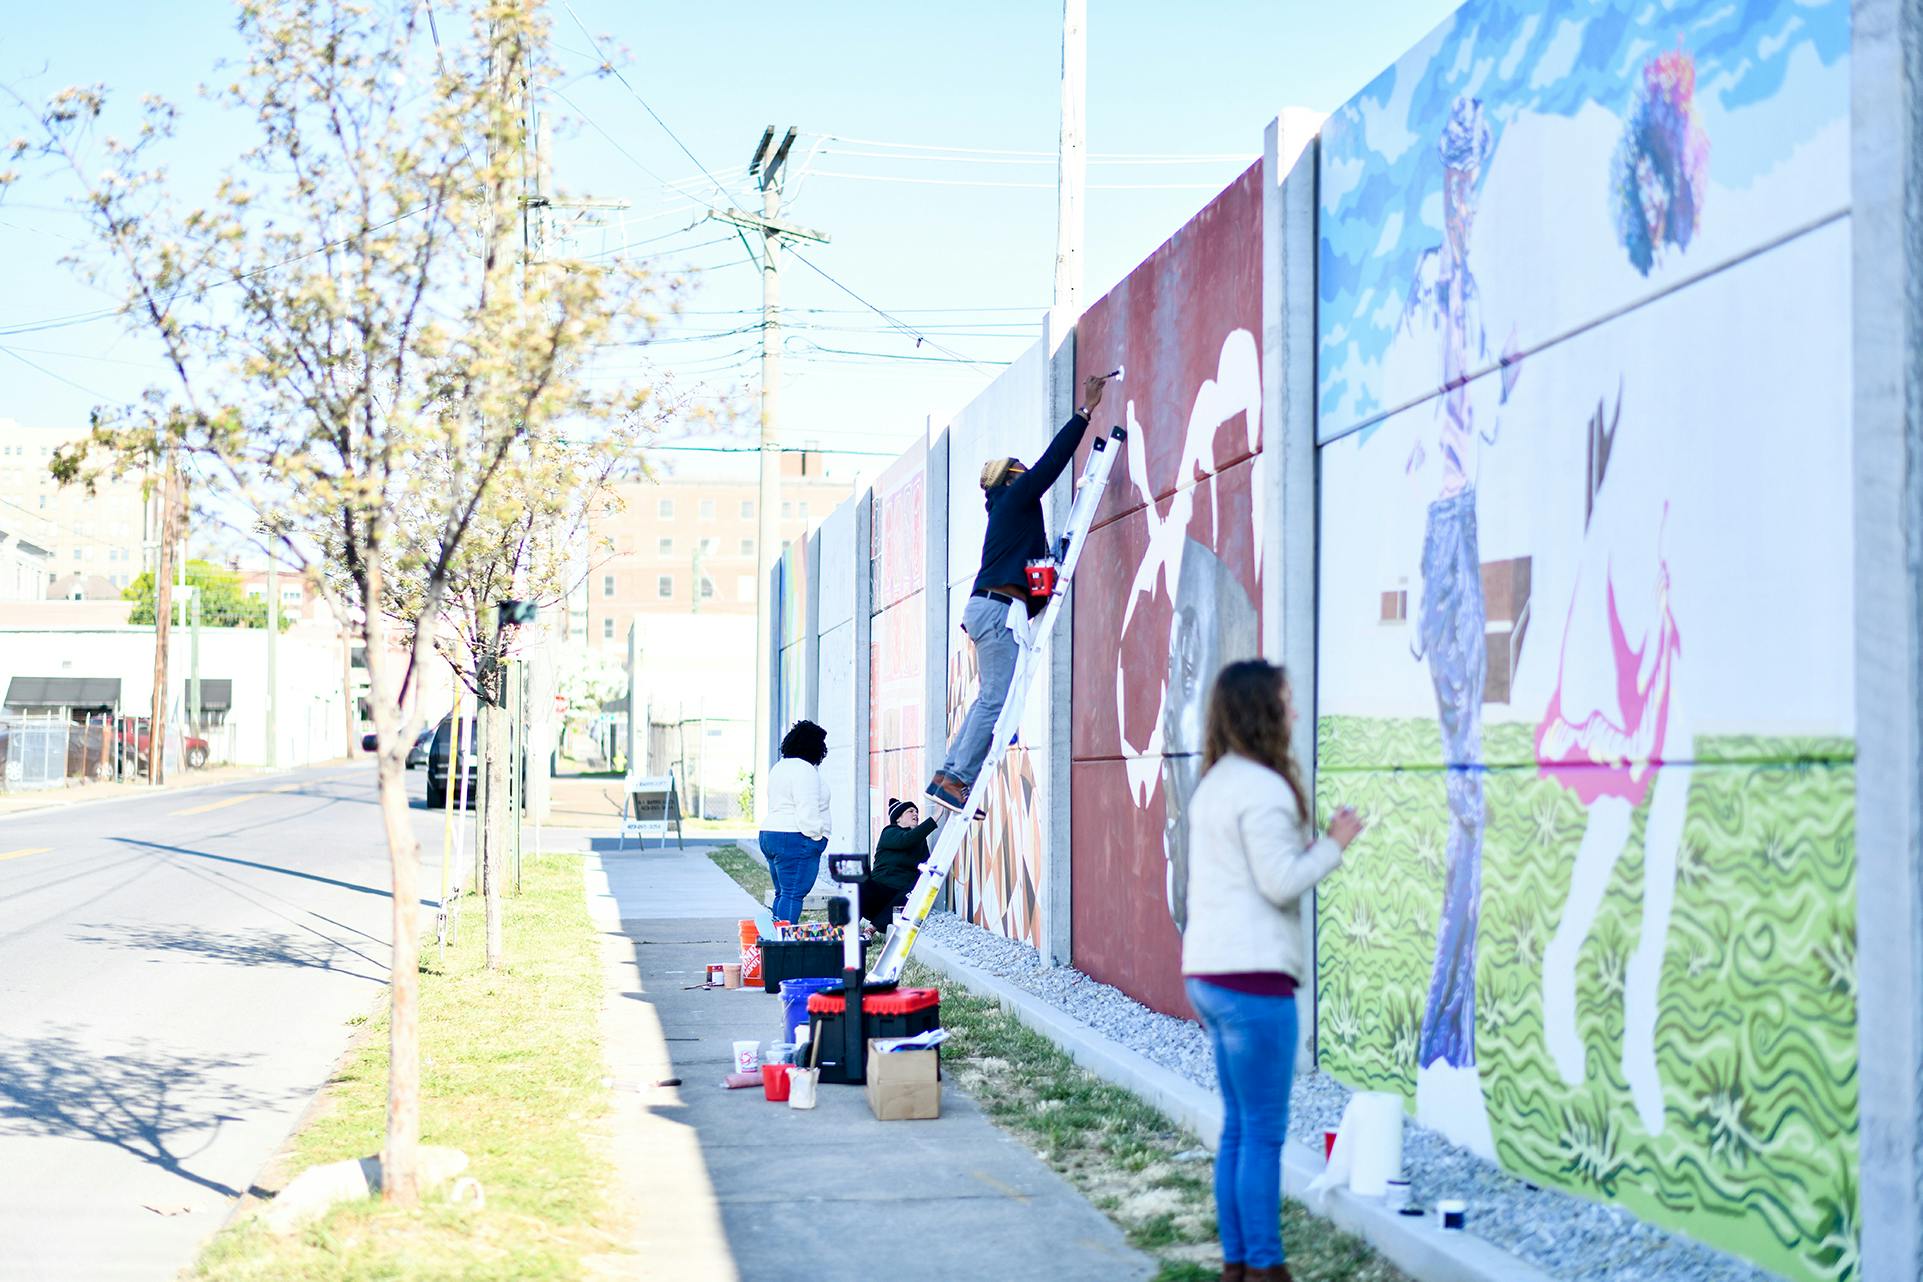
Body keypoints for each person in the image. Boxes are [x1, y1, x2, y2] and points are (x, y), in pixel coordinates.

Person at [1182, 660, 1363, 1282]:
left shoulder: (1215, 781)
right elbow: (1281, 882)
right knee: (1261, 1134)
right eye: (1285, 702)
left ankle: (1238, 1266)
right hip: (1252, 980)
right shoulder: (1263, 788)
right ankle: (1264, 1269)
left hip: (1209, 975)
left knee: (1239, 1128)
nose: (1293, 712)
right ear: (1263, 710)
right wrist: (1335, 842)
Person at [926, 370, 1114, 812]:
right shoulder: (1015, 500)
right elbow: (1052, 463)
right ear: (1012, 479)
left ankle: (948, 773)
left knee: (990, 698)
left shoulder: (1017, 523)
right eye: (1023, 473)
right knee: (997, 700)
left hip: (994, 608)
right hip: (996, 609)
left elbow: (1037, 585)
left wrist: (1055, 562)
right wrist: (1085, 412)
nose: (1031, 476)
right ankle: (956, 779)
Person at [761, 720, 831, 923]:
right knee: (792, 894)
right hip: (794, 836)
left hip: (770, 833)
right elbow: (807, 808)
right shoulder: (805, 770)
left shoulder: (780, 767)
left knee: (782, 893)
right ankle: (783, 947)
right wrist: (818, 836)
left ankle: (773, 941)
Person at [861, 798, 937, 930]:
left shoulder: (920, 841)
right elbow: (906, 840)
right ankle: (844, 930)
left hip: (898, 900)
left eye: (917, 812)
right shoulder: (890, 832)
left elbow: (926, 866)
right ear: (898, 819)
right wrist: (936, 816)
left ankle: (870, 930)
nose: (916, 814)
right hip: (877, 892)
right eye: (910, 811)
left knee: (914, 890)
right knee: (860, 882)